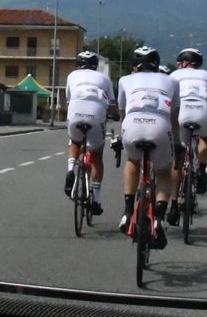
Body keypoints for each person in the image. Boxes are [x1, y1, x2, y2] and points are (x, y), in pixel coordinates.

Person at [115, 45, 177, 249]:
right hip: (160, 126)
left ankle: (127, 212)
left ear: (134, 67)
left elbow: (122, 113)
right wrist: (177, 143)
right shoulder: (171, 80)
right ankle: (159, 218)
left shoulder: (125, 80)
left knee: (132, 161)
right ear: (157, 65)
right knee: (164, 172)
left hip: (132, 124)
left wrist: (118, 137)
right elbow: (174, 118)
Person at [168, 48, 207, 215]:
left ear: (183, 63)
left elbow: (167, 103)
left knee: (178, 157)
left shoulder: (174, 75)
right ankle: (202, 168)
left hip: (181, 113)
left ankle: (174, 204)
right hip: (202, 112)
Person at [63, 50, 113, 217]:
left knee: (75, 141)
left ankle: (70, 169)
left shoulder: (72, 76)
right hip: (96, 113)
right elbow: (111, 103)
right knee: (97, 155)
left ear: (78, 65)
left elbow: (68, 98)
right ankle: (96, 200)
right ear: (95, 66)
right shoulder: (104, 78)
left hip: (75, 111)